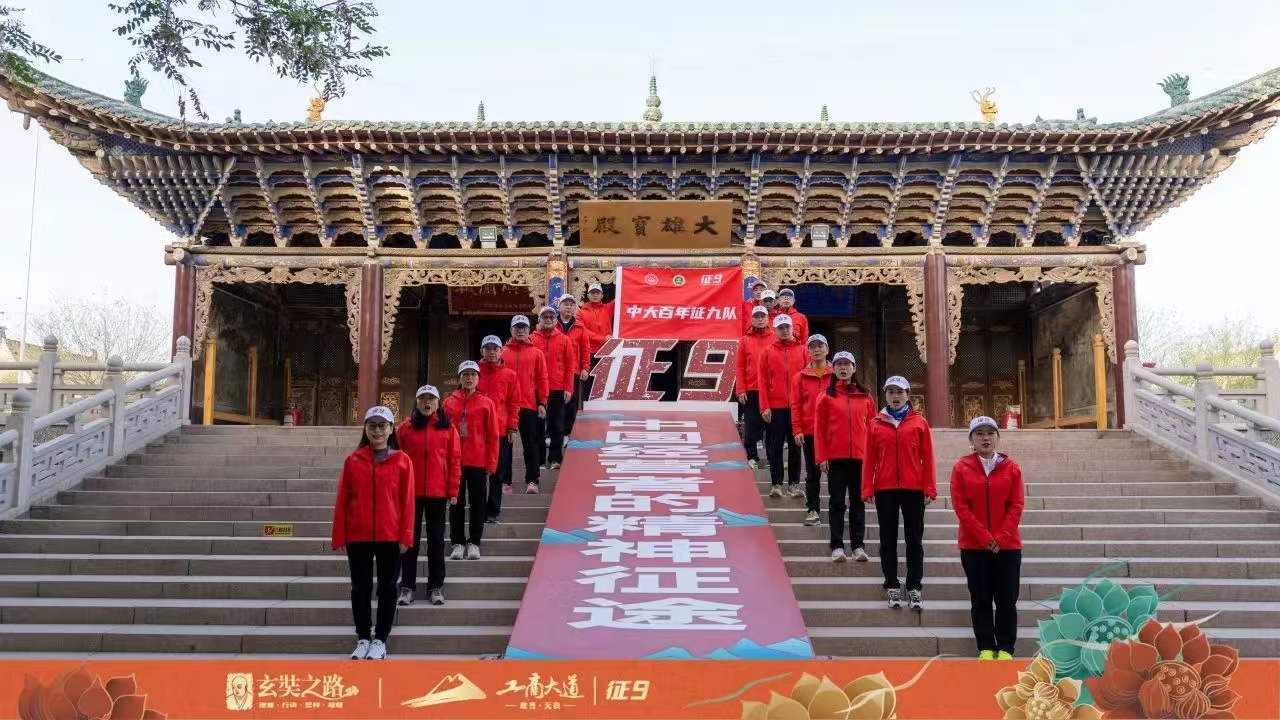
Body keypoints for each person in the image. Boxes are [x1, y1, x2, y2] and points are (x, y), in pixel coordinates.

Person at [331, 405, 414, 660]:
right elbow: (343, 499)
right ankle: (363, 637)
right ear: (365, 429)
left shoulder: (403, 461)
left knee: (388, 588)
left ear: (391, 429)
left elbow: (408, 502)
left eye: (382, 426)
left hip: (391, 535)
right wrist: (339, 534)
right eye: (372, 426)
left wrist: (406, 535)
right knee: (360, 588)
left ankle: (380, 639)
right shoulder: (353, 460)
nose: (377, 431)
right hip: (358, 535)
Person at [952, 416, 1025, 661]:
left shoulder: (1011, 468)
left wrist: (1001, 538)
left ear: (997, 438)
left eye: (990, 433)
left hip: (1007, 547)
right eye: (979, 433)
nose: (985, 438)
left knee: (1006, 600)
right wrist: (984, 538)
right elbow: (962, 507)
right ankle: (985, 646)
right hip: (974, 547)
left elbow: (1016, 505)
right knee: (981, 599)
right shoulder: (961, 468)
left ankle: (1005, 648)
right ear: (971, 439)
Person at [862, 376, 936, 611]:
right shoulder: (875, 424)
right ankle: (891, 584)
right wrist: (867, 487)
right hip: (885, 489)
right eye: (891, 392)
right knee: (888, 540)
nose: (895, 396)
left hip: (914, 488)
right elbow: (869, 458)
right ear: (885, 395)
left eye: (900, 392)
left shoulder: (919, 423)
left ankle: (914, 586)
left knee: (914, 540)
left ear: (907, 395)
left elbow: (928, 457)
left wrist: (930, 487)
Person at [395, 385, 460, 607]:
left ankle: (435, 587)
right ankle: (407, 586)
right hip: (410, 494)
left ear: (438, 403)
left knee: (437, 542)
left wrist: (453, 490)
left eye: (431, 398)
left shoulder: (448, 428)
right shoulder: (405, 428)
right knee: (408, 542)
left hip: (437, 493)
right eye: (423, 398)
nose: (427, 402)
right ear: (416, 402)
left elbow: (454, 461)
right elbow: (396, 461)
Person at [814, 351, 877, 563]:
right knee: (837, 502)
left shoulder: (865, 396)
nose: (843, 368)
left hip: (860, 458)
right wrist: (822, 456)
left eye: (847, 364)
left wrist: (874, 457)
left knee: (858, 502)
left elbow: (873, 428)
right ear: (833, 369)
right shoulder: (826, 396)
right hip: (836, 458)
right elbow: (820, 429)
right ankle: (837, 545)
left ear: (854, 368)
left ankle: (858, 546)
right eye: (839, 364)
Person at [443, 361, 501, 560]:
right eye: (465, 374)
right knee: (456, 503)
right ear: (459, 378)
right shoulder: (449, 403)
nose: (469, 378)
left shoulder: (487, 403)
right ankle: (457, 543)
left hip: (478, 461)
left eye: (473, 375)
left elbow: (493, 435)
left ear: (478, 378)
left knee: (478, 504)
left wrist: (491, 462)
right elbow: (442, 434)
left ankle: (474, 542)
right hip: (455, 461)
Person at [757, 314, 809, 498]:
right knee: (775, 446)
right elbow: (762, 381)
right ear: (775, 330)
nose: (785, 330)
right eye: (781, 328)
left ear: (792, 328)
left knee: (796, 446)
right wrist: (764, 406)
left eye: (787, 327)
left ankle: (794, 484)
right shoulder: (766, 352)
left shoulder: (803, 351)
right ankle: (776, 483)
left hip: (797, 407)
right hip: (775, 406)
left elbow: (807, 380)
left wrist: (806, 405)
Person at [501, 315, 549, 493]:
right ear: (511, 330)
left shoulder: (537, 353)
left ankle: (533, 480)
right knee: (505, 445)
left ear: (529, 330)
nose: (520, 330)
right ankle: (505, 481)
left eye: (523, 327)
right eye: (517, 327)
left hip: (528, 404)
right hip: (505, 407)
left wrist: (542, 402)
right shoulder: (502, 352)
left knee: (531, 444)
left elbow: (542, 378)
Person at [790, 334, 831, 527]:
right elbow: (796, 405)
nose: (816, 350)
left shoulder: (837, 374)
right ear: (807, 352)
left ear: (827, 349)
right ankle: (812, 510)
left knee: (837, 474)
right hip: (811, 431)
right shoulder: (799, 377)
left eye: (820, 346)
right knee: (813, 473)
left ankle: (838, 508)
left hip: (834, 432)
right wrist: (797, 429)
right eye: (812, 347)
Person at [478, 336, 518, 522]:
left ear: (501, 351)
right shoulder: (474, 372)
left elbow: (513, 403)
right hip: (477, 432)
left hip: (500, 431)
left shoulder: (510, 375)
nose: (492, 352)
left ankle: (493, 511)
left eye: (495, 349)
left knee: (497, 473)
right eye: (488, 348)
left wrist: (512, 427)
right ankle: (479, 509)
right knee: (478, 473)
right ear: (482, 351)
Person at [530, 306, 576, 470]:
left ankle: (555, 458)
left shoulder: (564, 339)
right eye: (545, 317)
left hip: (557, 387)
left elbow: (570, 366)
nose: (548, 320)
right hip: (536, 388)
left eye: (551, 317)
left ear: (556, 320)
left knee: (557, 424)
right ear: (539, 320)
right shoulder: (531, 339)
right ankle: (539, 460)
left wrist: (568, 388)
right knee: (537, 424)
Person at [735, 306, 772, 469]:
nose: (760, 319)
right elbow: (740, 366)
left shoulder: (775, 337)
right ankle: (752, 456)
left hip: (771, 390)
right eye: (757, 317)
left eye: (763, 316)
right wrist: (741, 389)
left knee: (772, 426)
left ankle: (772, 457)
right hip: (752, 389)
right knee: (751, 424)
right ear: (752, 319)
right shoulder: (745, 340)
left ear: (768, 319)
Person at [556, 294, 592, 438]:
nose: (569, 307)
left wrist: (585, 368)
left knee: (571, 402)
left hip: (574, 370)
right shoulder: (552, 324)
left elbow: (585, 349)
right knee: (555, 401)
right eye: (566, 304)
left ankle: (568, 433)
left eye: (571, 305)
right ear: (559, 306)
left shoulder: (580, 327)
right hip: (555, 370)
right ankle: (553, 432)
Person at [579, 283, 614, 357]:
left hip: (607, 349)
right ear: (588, 295)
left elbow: (622, 297)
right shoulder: (581, 312)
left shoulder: (608, 308)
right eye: (592, 293)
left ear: (602, 295)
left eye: (598, 293)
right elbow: (582, 330)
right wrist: (602, 339)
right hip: (589, 350)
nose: (595, 295)